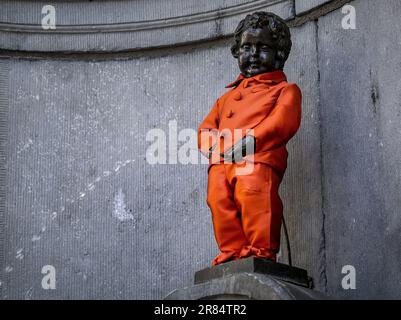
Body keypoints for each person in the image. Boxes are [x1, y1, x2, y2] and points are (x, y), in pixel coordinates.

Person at [197, 11, 302, 266]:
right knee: (218, 200)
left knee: (254, 196)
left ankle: (261, 251)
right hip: (223, 162)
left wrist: (249, 143)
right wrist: (217, 149)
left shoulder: (285, 90)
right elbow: (205, 130)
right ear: (237, 51)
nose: (253, 54)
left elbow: (281, 123)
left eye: (263, 47)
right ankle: (232, 251)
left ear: (279, 53)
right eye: (246, 47)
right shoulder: (226, 99)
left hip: (258, 158)